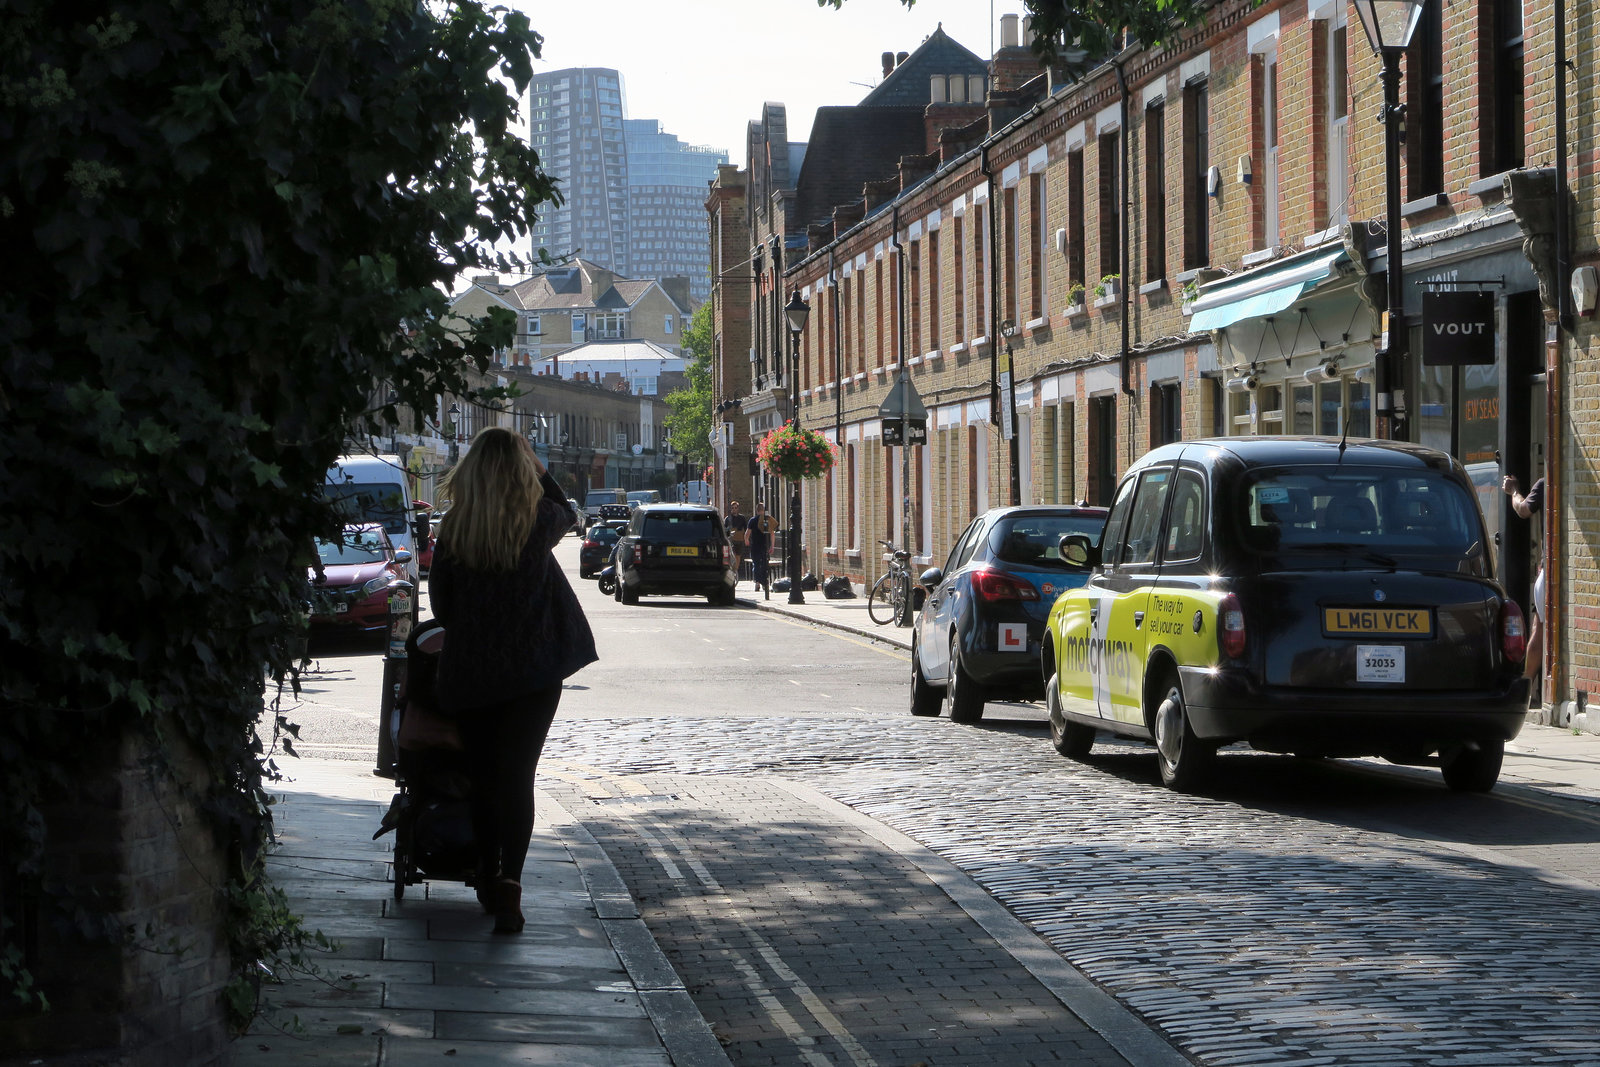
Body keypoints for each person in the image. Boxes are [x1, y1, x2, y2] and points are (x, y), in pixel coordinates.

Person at [427, 427, 597, 934]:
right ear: (522, 470)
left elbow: (441, 606)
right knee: (517, 777)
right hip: (534, 673)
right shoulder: (537, 521)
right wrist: (542, 471)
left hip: (474, 672)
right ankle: (509, 887)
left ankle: (483, 874)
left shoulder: (455, 529)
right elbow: (567, 509)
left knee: (482, 777)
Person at [1502, 473, 1545, 693]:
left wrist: (1513, 491)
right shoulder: (1549, 484)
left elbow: (1522, 510)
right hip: (1551, 573)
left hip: (1548, 572)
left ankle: (1526, 685)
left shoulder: (1545, 483)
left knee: (1540, 629)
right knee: (1540, 628)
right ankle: (1528, 684)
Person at [747, 501, 775, 596]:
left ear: (757, 510)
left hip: (755, 545)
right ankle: (764, 583)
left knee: (756, 564)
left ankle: (757, 583)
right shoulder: (767, 520)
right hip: (765, 546)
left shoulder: (752, 520)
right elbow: (772, 533)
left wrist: (746, 540)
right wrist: (772, 545)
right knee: (764, 564)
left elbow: (747, 533)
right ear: (764, 510)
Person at [725, 500, 748, 581]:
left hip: (740, 539)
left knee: (738, 556)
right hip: (731, 539)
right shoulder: (728, 518)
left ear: (738, 508)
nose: (734, 509)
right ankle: (732, 569)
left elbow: (746, 529)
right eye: (732, 508)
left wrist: (746, 538)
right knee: (732, 555)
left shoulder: (742, 518)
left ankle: (736, 571)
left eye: (736, 508)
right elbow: (725, 529)